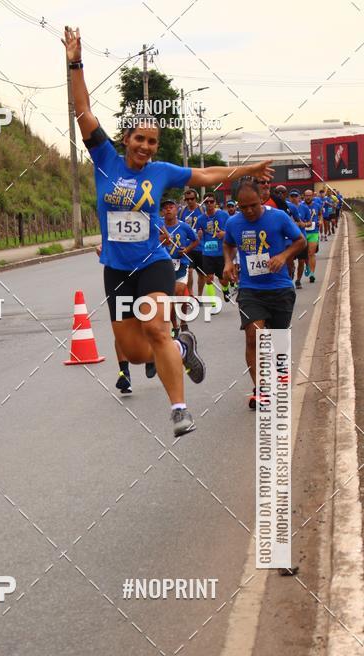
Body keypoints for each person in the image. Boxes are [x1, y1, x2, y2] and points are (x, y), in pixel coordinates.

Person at [63, 25, 274, 435]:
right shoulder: (105, 159)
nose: (146, 146)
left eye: (153, 141)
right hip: (115, 270)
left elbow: (207, 173)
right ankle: (184, 347)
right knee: (134, 350)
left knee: (156, 326)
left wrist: (247, 168)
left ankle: (179, 408)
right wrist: (75, 61)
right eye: (140, 139)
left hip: (153, 264)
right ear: (126, 139)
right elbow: (83, 110)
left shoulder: (161, 172)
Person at [223, 180, 305, 409]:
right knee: (253, 336)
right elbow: (228, 244)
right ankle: (260, 391)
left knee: (279, 338)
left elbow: (300, 241)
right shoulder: (233, 222)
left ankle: (280, 369)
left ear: (262, 198)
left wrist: (284, 256)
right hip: (251, 290)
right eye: (243, 207)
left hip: (279, 288)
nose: (248, 211)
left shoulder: (278, 217)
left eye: (253, 205)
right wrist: (228, 263)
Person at [159, 198, 199, 333]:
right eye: (165, 208)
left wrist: (186, 250)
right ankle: (175, 326)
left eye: (171, 207)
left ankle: (183, 321)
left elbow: (195, 240)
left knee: (179, 292)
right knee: (168, 300)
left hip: (181, 265)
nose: (168, 209)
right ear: (162, 212)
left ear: (177, 210)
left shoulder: (184, 226)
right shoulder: (158, 226)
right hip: (163, 266)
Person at [196, 194, 230, 305]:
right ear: (204, 203)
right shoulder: (201, 219)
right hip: (207, 253)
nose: (209, 204)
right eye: (207, 202)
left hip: (221, 252)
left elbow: (232, 230)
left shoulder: (224, 215)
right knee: (209, 278)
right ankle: (213, 304)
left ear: (215, 202)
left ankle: (226, 290)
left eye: (211, 201)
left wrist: (224, 234)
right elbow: (198, 234)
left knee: (223, 280)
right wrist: (199, 235)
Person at [179, 188, 204, 296]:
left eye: (192, 199)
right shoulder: (182, 212)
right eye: (187, 199)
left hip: (200, 247)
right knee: (189, 271)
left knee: (201, 275)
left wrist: (203, 232)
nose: (189, 201)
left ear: (196, 198)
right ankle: (191, 295)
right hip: (187, 247)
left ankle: (200, 295)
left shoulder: (202, 210)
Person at [288, 189, 311, 288]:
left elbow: (309, 222)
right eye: (292, 196)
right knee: (289, 261)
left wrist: (303, 224)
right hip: (290, 240)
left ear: (299, 197)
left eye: (295, 196)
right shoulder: (286, 208)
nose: (293, 198)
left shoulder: (304, 208)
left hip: (301, 238)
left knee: (301, 261)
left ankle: (298, 280)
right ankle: (291, 271)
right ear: (289, 197)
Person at [302, 188, 323, 282]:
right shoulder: (300, 206)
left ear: (313, 196)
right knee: (305, 255)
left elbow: (320, 214)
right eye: (306, 195)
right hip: (303, 232)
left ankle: (312, 274)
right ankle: (307, 265)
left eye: (309, 195)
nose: (308, 197)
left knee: (311, 253)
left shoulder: (317, 205)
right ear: (304, 196)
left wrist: (321, 220)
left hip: (314, 232)